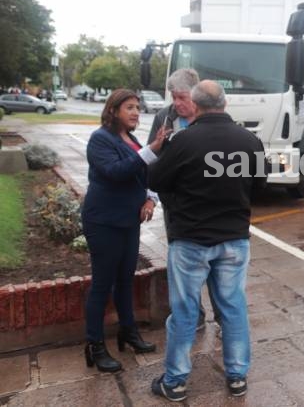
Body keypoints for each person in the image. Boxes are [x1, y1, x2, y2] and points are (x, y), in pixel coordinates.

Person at [148, 81, 265, 401]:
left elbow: (156, 180)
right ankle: (237, 375)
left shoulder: (183, 141)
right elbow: (260, 184)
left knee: (184, 312)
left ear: (196, 107)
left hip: (190, 241)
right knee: (233, 308)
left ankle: (175, 382)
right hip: (234, 239)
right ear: (225, 104)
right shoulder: (250, 140)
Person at [81, 89, 169, 372]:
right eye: (129, 107)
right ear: (113, 110)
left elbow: (141, 174)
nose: (135, 113)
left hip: (129, 221)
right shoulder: (100, 140)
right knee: (102, 285)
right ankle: (94, 346)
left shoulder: (130, 139)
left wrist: (149, 197)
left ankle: (128, 332)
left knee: (125, 280)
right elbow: (116, 172)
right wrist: (150, 151)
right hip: (103, 222)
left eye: (137, 108)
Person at [147, 68, 220, 328]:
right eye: (173, 97)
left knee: (216, 264)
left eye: (182, 98)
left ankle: (222, 318)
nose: (176, 104)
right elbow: (153, 159)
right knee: (182, 264)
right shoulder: (164, 117)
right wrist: (151, 197)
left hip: (210, 204)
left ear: (196, 96)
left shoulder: (211, 117)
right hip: (176, 206)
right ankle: (194, 316)